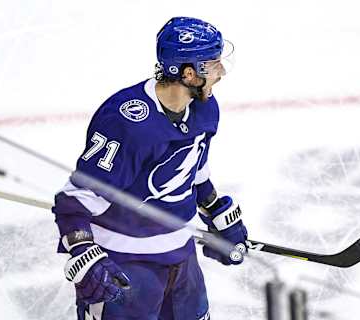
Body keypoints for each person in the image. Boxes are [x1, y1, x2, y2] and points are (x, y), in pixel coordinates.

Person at [52, 16, 248, 320]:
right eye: (212, 64)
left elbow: (194, 170)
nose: (221, 71)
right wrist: (82, 252)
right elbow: (75, 201)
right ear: (188, 73)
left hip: (182, 260)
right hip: (127, 267)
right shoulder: (127, 122)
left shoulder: (205, 108)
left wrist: (216, 211)